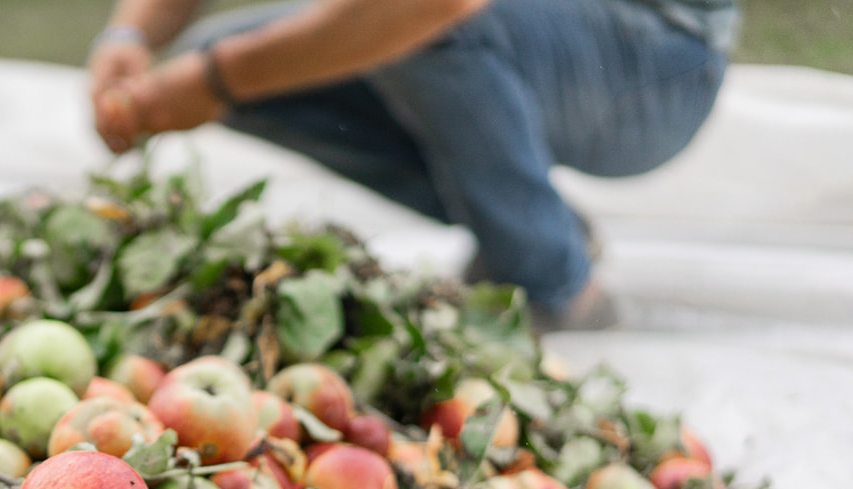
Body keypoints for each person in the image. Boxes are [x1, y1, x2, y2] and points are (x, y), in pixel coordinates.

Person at [88, 0, 738, 331]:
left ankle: (553, 283)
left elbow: (429, 7)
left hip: (656, 59)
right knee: (225, 50)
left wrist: (217, 81)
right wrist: (131, 34)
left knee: (417, 25)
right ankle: (538, 224)